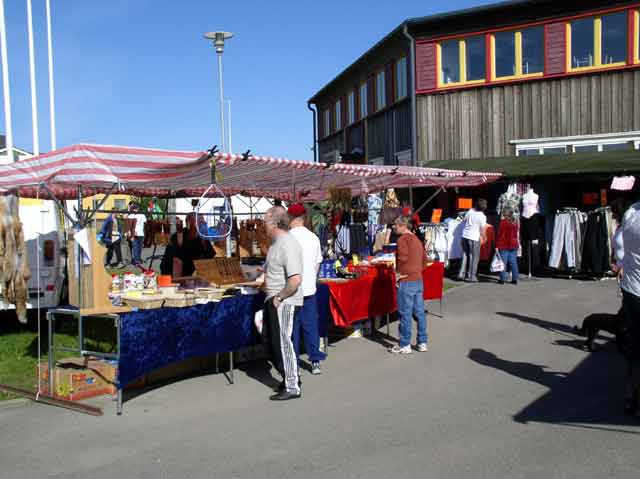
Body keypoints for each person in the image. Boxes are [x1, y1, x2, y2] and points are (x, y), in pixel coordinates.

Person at [262, 206, 304, 400]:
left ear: (274, 223)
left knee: (283, 342)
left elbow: (295, 279)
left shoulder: (287, 243)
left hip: (284, 301)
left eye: (265, 221)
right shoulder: (277, 243)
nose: (263, 225)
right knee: (273, 343)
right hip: (275, 299)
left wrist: (279, 298)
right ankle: (289, 377)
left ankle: (293, 385)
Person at [287, 203, 326, 375]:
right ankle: (315, 360)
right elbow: (317, 264)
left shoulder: (287, 238)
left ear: (290, 218)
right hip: (309, 288)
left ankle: (294, 363)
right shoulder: (313, 237)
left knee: (293, 328)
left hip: (292, 289)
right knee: (310, 325)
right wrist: (310, 278)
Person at [389, 215, 428, 354]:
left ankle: (405, 344)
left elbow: (402, 258)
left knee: (405, 313)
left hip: (407, 280)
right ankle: (422, 342)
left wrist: (398, 274)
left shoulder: (402, 239)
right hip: (418, 279)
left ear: (403, 226)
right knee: (420, 313)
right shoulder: (417, 239)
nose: (394, 227)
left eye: (396, 225)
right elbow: (424, 260)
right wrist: (416, 270)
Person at [620, 202, 640, 415]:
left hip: (631, 289)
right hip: (633, 288)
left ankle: (630, 395)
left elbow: (620, 245)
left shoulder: (630, 213)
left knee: (634, 346)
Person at [458, 199, 487, 283]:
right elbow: (482, 230)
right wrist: (485, 237)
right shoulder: (482, 216)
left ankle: (461, 274)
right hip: (474, 237)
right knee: (474, 257)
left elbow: (464, 220)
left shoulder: (470, 211)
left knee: (464, 255)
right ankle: (471, 276)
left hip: (465, 236)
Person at [496, 208, 520, 285]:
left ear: (504, 214)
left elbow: (500, 235)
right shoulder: (515, 222)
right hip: (514, 244)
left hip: (504, 244)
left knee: (503, 262)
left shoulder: (503, 222)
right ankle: (515, 279)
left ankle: (502, 279)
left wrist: (497, 245)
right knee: (513, 262)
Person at [126, 202, 146, 266]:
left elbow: (145, 222)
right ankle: (137, 261)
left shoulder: (141, 215)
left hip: (140, 233)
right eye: (134, 208)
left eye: (135, 208)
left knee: (138, 248)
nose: (135, 210)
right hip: (135, 234)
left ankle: (138, 259)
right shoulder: (133, 215)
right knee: (136, 247)